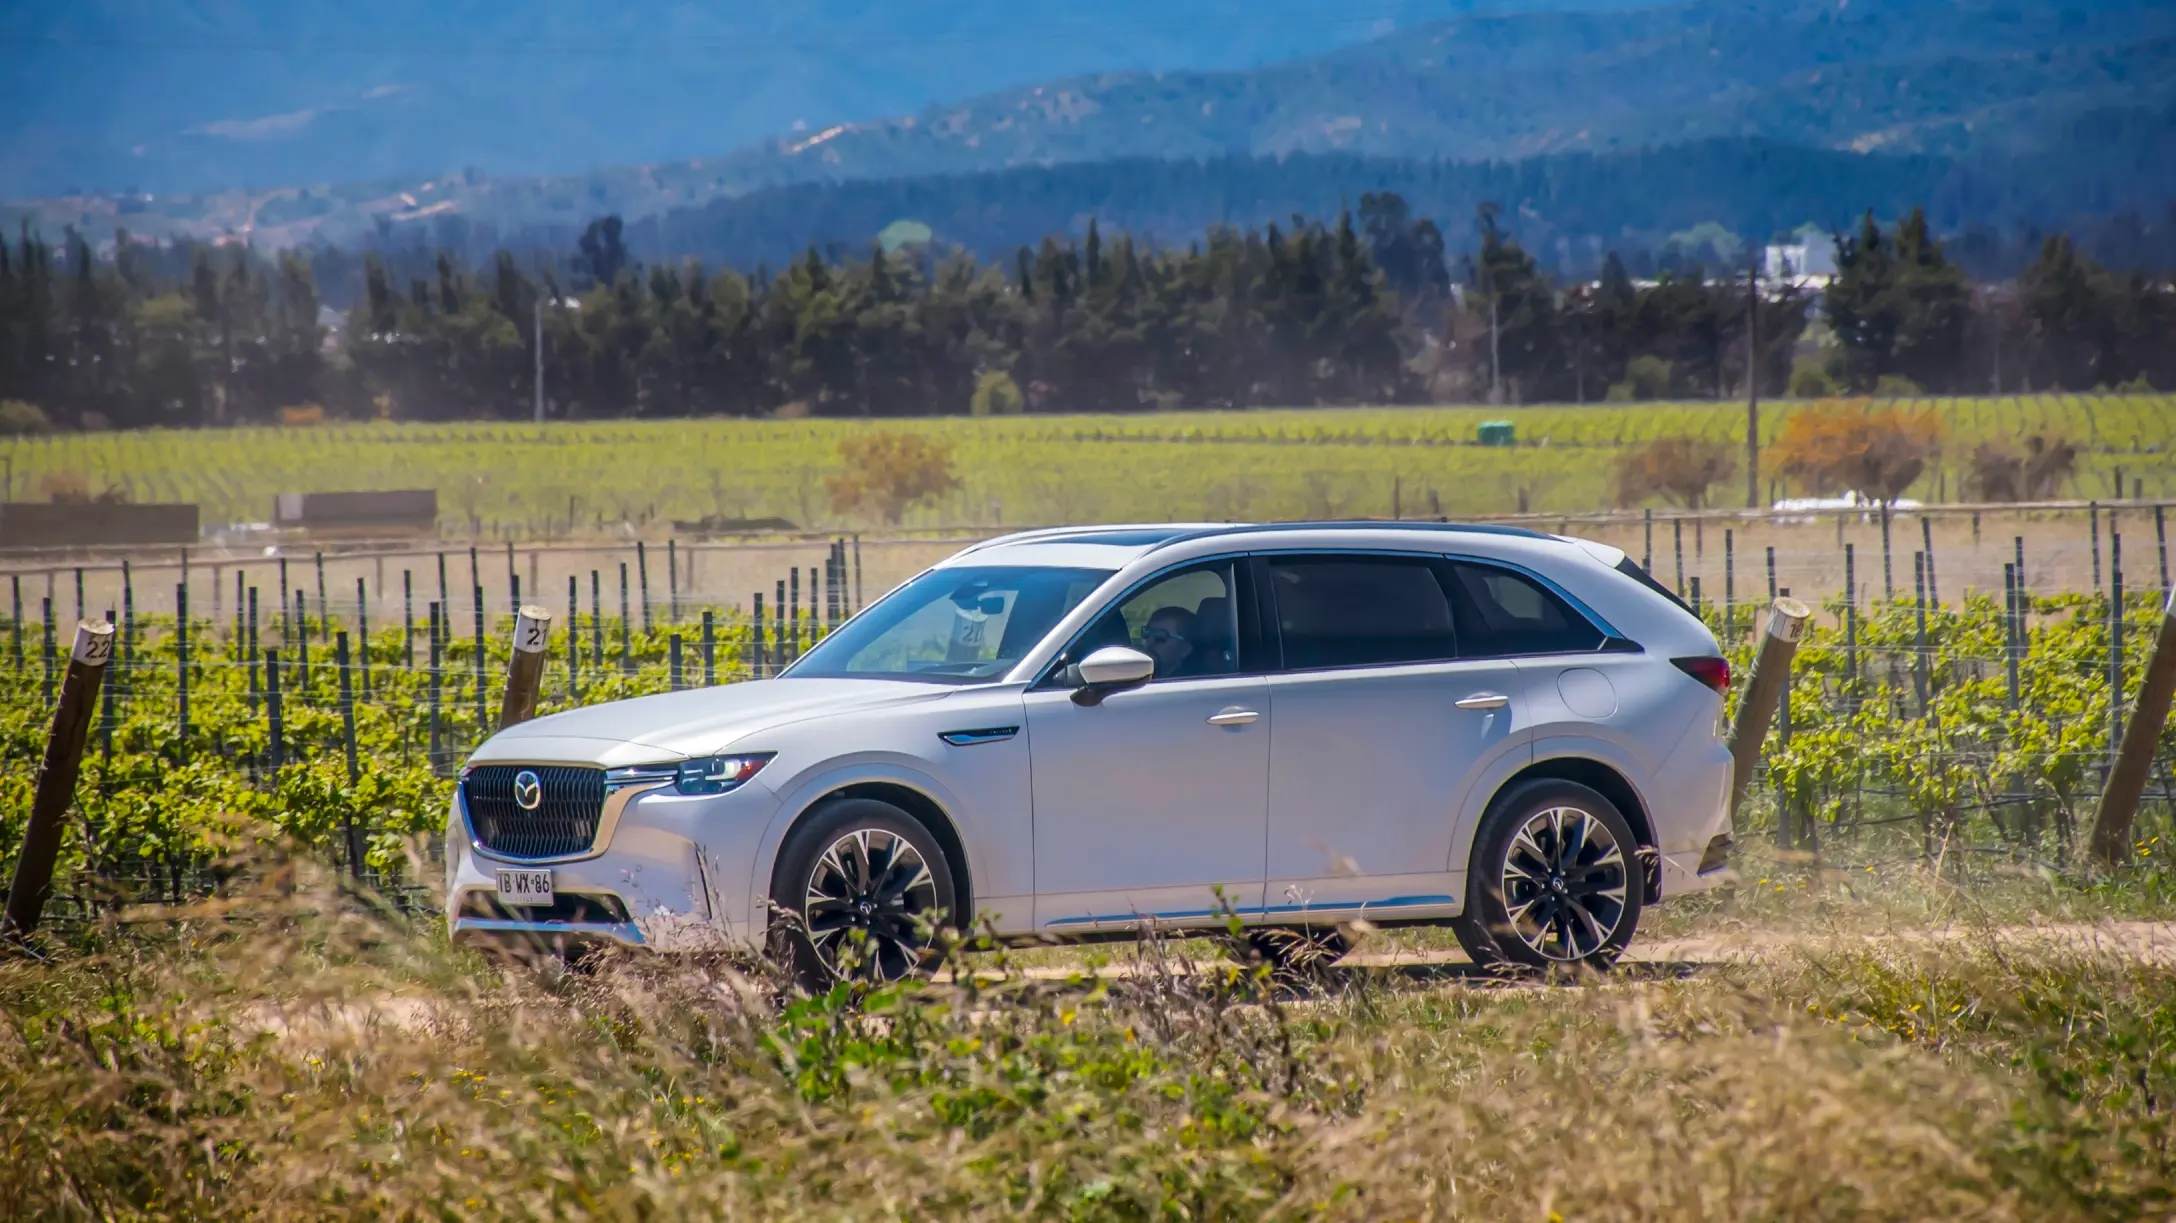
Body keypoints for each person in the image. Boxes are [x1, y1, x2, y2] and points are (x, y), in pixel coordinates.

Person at [1140, 605, 1197, 677]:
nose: (1150, 641)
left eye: (1160, 636)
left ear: (1185, 649)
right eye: (1147, 633)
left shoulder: (1191, 684)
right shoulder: (1135, 675)